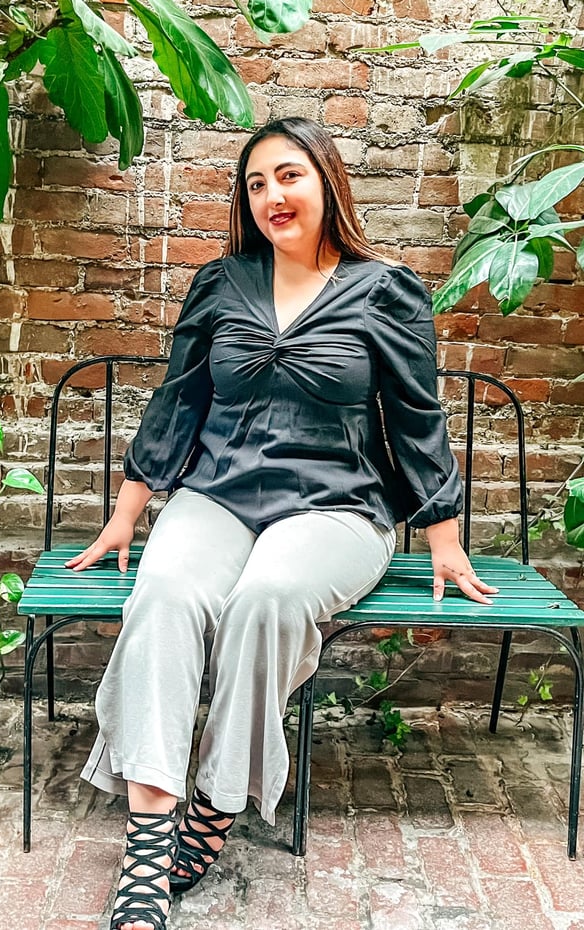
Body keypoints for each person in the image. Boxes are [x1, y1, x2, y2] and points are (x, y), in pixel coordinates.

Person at [66, 117, 497, 930]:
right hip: (220, 493)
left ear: (327, 181)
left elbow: (414, 416)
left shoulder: (385, 291)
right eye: (256, 183)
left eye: (289, 176)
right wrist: (129, 513)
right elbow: (180, 403)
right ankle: (151, 837)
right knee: (161, 592)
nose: (272, 196)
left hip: (335, 507)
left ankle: (217, 803)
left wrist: (442, 532)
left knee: (265, 600)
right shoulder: (221, 284)